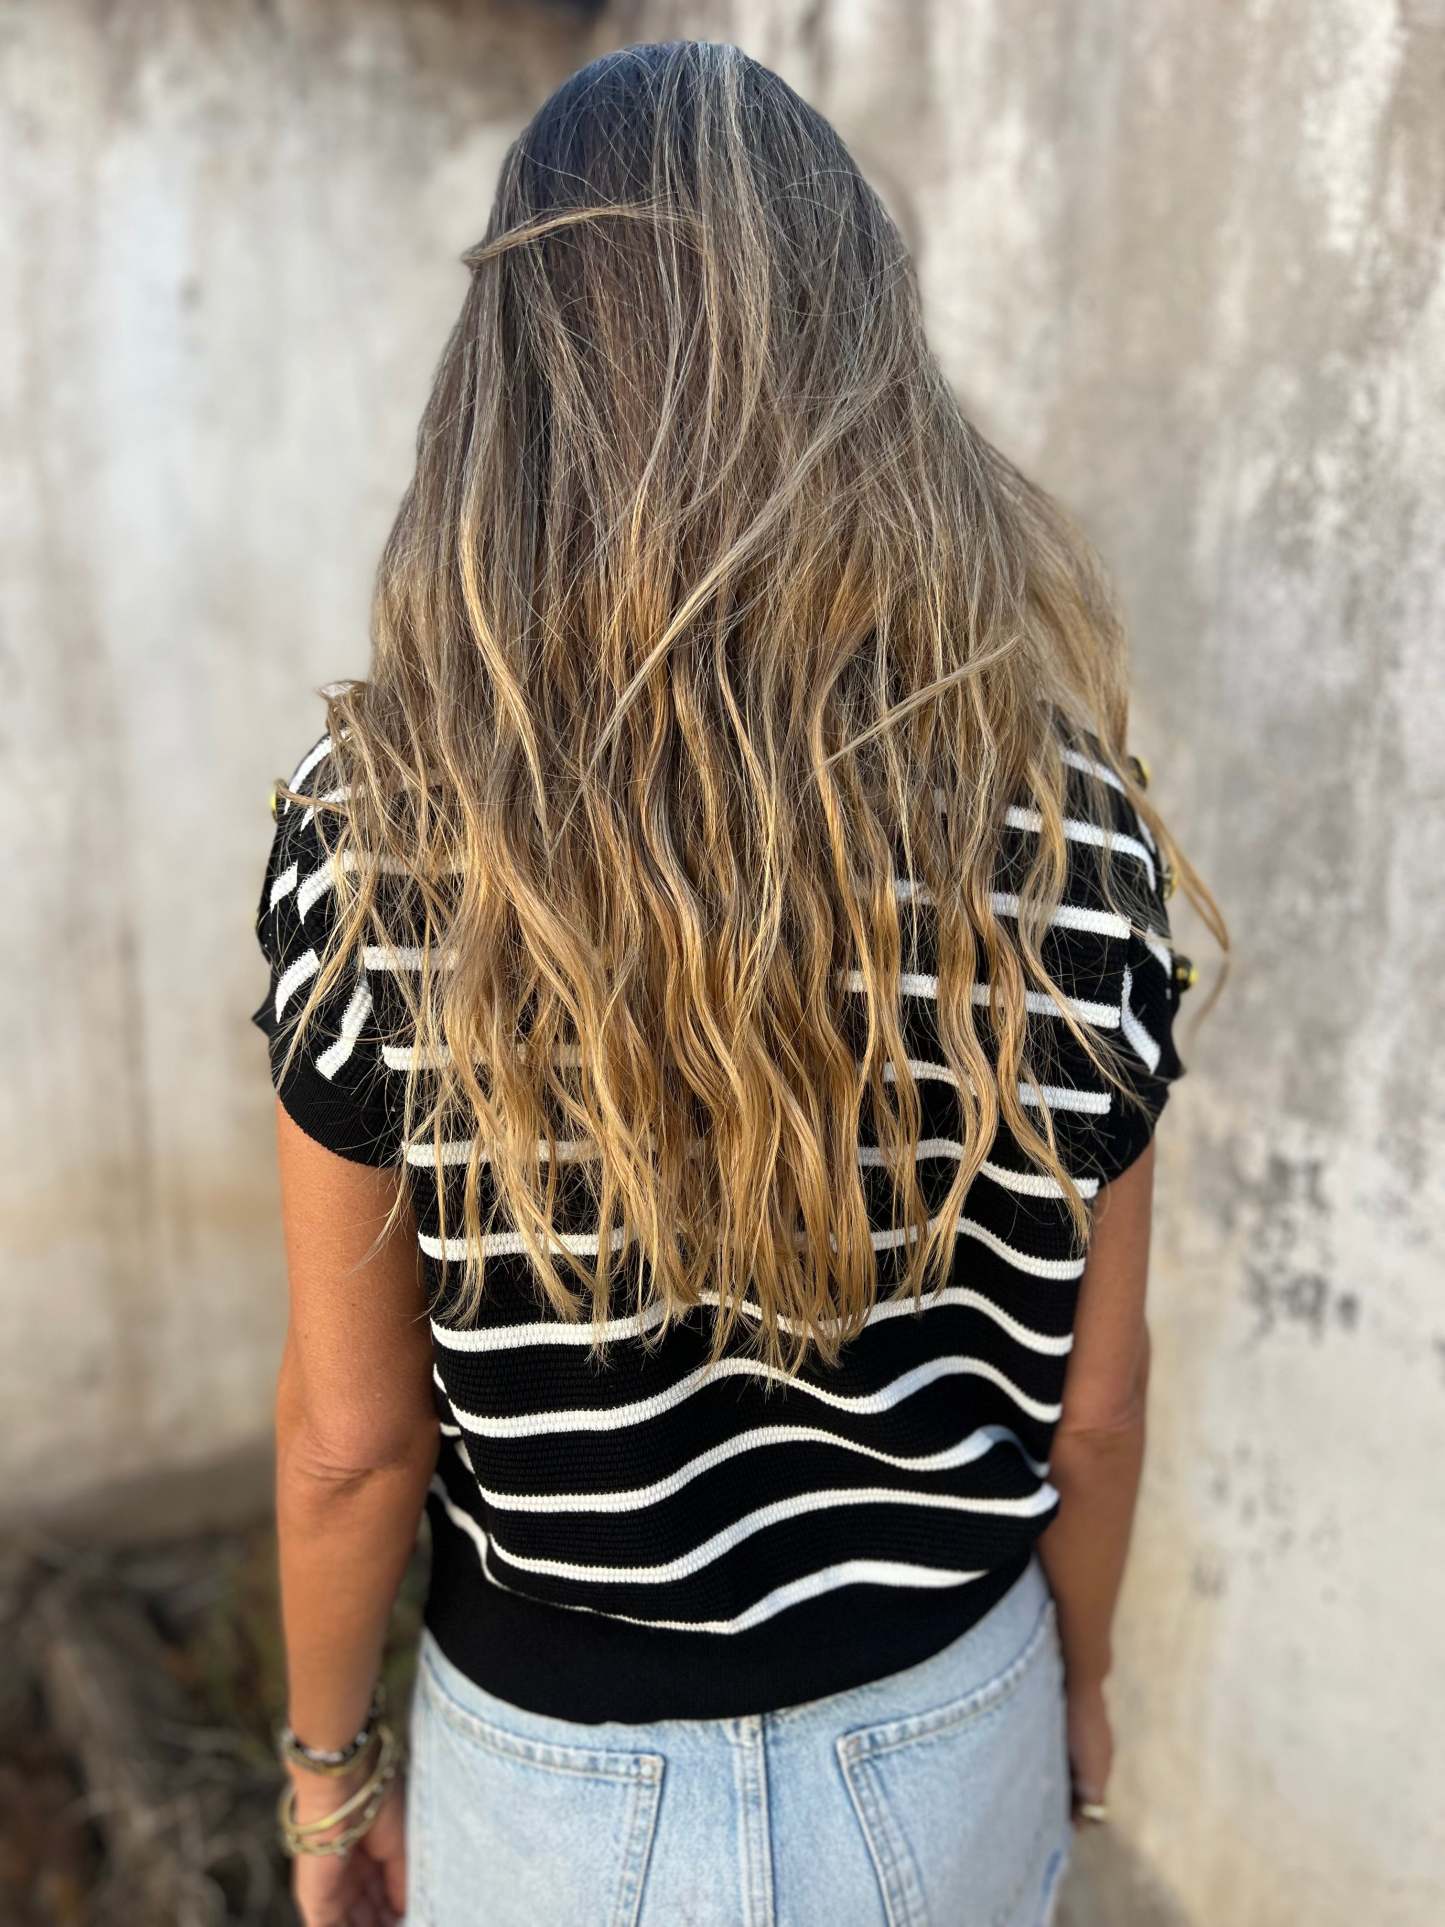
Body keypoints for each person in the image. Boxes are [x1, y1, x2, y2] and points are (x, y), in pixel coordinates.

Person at [249, 39, 1225, 1927]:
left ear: (512, 390)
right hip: (949, 1729)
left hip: (555, 1789)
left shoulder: (380, 833)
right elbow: (1095, 1407)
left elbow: (353, 1443)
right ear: (869, 366)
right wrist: (1083, 1679)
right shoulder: (1061, 820)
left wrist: (325, 1773)